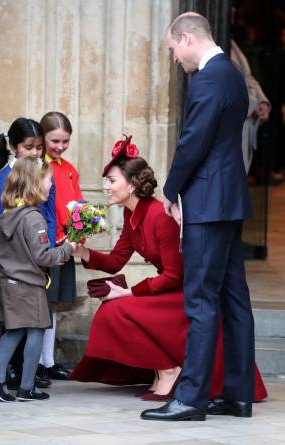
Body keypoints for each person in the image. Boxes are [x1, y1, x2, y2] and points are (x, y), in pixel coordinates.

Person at [70, 136, 267, 404]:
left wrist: (129, 292)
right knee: (111, 310)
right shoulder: (132, 215)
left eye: (112, 181)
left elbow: (175, 275)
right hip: (169, 290)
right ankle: (164, 368)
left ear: (133, 184)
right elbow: (117, 260)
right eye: (106, 181)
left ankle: (169, 369)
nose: (106, 187)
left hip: (187, 292)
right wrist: (84, 253)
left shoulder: (159, 216)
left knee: (117, 310)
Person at [141, 12, 257, 422]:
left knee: (201, 300)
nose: (174, 59)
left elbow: (194, 141)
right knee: (234, 300)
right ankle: (238, 395)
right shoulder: (233, 75)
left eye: (173, 50)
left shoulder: (209, 78)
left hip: (208, 202)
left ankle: (191, 398)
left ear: (187, 39)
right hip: (228, 200)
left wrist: (170, 189)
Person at [0, 157, 74, 402]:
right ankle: (24, 386)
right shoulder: (33, 218)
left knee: (14, 331)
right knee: (36, 330)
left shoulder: (13, 214)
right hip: (28, 285)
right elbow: (42, 256)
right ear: (35, 183)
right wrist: (68, 248)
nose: (51, 185)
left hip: (10, 282)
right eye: (48, 180)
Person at [0, 117, 56, 389]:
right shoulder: (8, 178)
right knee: (22, 324)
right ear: (14, 147)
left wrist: (47, 243)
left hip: (35, 254)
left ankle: (15, 375)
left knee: (23, 325)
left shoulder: (40, 175)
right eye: (29, 147)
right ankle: (15, 376)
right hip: (21, 264)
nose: (36, 152)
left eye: (40, 147)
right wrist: (51, 250)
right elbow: (14, 226)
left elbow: (48, 214)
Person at [37, 111, 83, 381]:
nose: (60, 147)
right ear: (43, 137)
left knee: (52, 304)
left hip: (66, 243)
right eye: (55, 140)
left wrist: (79, 236)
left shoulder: (68, 169)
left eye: (65, 141)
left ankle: (49, 360)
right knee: (40, 303)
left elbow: (77, 206)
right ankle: (37, 363)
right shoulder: (36, 167)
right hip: (48, 244)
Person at [231, 39, 271, 174]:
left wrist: (262, 101)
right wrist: (253, 105)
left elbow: (248, 78)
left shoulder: (231, 41)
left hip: (244, 124)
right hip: (232, 128)